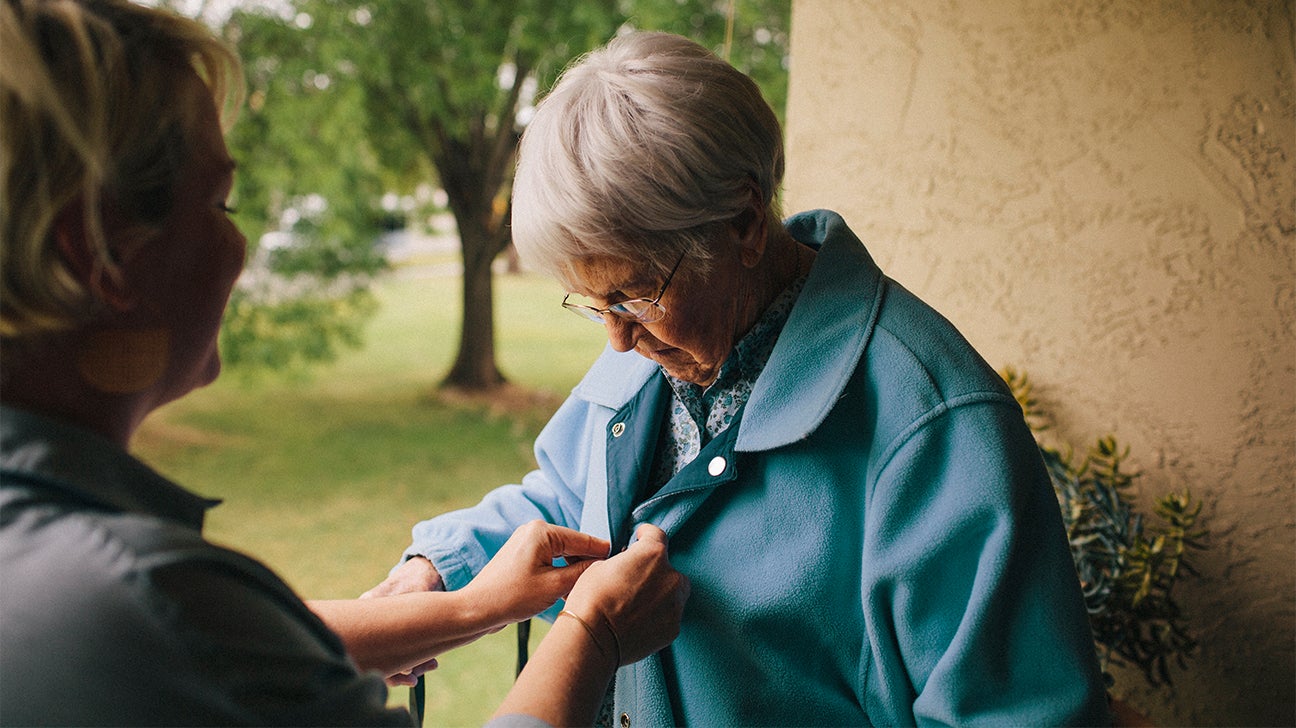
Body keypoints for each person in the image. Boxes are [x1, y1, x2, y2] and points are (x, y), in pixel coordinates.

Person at [368, 30, 1114, 726]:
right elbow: (569, 501)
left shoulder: (938, 427)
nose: (617, 340)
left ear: (745, 225)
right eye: (591, 303)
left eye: (630, 296)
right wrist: (441, 568)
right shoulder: (671, 331)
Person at [0, 2, 688, 725]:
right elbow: (185, 639)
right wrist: (589, 636)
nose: (241, 251)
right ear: (101, 255)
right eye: (221, 204)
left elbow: (217, 652)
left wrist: (466, 604)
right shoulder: (137, 599)